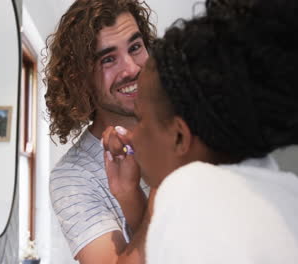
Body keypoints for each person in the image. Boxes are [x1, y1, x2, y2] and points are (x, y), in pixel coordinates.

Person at [103, 0, 298, 262]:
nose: (133, 136)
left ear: (180, 137)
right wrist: (130, 195)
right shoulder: (284, 190)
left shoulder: (189, 194)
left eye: (141, 120)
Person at [44, 0, 156, 262]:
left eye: (135, 47)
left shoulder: (187, 122)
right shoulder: (73, 176)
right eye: (108, 59)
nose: (131, 69)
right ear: (80, 78)